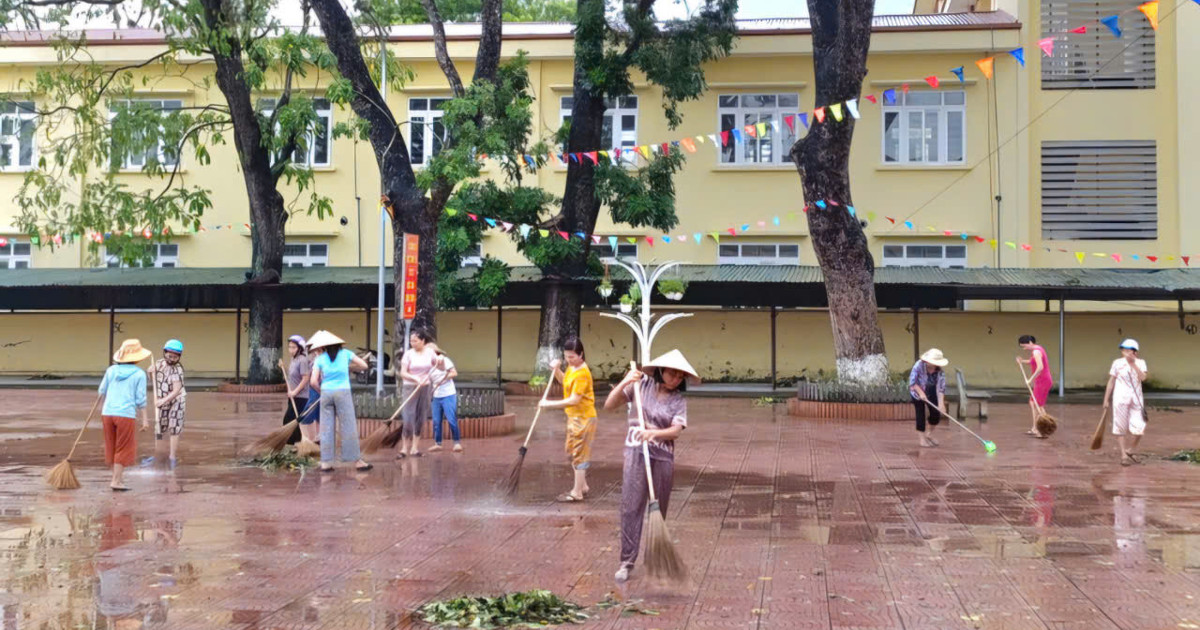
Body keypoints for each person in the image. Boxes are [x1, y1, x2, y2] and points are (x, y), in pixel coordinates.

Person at [603, 349, 697, 583]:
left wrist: (654, 433)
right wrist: (626, 380)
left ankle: (655, 557)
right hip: (636, 452)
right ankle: (626, 561)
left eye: (680, 377)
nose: (675, 379)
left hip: (663, 458)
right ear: (660, 371)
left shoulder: (678, 401)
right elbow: (609, 405)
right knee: (631, 506)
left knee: (658, 509)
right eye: (672, 374)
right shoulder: (640, 385)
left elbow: (676, 431)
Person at [539, 337, 596, 502]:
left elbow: (574, 400)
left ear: (581, 354)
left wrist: (548, 404)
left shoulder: (583, 373)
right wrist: (556, 370)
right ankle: (583, 485)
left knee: (579, 454)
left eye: (572, 356)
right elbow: (565, 381)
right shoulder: (572, 368)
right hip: (573, 417)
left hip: (584, 418)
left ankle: (577, 492)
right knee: (571, 452)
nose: (569, 359)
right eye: (567, 356)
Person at [308, 330, 372, 473]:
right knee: (348, 425)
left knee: (326, 428)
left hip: (326, 393)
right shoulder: (346, 354)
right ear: (339, 344)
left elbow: (313, 381)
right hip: (343, 392)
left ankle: (326, 463)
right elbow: (364, 366)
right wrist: (348, 367)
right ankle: (357, 461)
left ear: (324, 346)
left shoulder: (320, 359)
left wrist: (321, 391)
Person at [98, 339, 151, 491]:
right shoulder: (139, 374)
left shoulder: (111, 370)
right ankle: (116, 481)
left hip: (107, 413)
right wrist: (145, 420)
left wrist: (103, 405)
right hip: (125, 414)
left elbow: (102, 390)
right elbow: (140, 399)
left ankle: (117, 478)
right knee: (124, 447)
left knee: (112, 445)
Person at [1104, 338, 1148, 466]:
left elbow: (1143, 378)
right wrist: (1106, 399)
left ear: (1135, 352)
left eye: (1128, 350)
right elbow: (1111, 381)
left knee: (1140, 427)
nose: (1125, 353)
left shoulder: (1141, 363)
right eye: (1124, 350)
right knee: (1120, 426)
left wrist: (1133, 364)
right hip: (1120, 398)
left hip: (1137, 399)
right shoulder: (1117, 363)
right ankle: (1123, 454)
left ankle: (1131, 449)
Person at [397, 329, 437, 458]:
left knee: (421, 416)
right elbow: (403, 372)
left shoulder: (430, 352)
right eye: (411, 341)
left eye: (415, 341)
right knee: (408, 417)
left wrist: (440, 361)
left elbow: (438, 366)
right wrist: (415, 378)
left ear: (423, 341)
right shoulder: (408, 354)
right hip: (410, 387)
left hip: (425, 387)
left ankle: (414, 448)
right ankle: (404, 448)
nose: (412, 343)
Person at [148, 339, 187, 468]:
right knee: (159, 426)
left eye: (175, 357)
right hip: (162, 398)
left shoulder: (177, 369)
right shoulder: (158, 364)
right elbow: (154, 381)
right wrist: (150, 372)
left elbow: (176, 390)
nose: (172, 359)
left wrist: (163, 401)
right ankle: (158, 454)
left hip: (176, 400)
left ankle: (172, 457)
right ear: (164, 353)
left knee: (174, 427)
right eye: (170, 356)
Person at [909, 348, 949, 448]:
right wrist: (921, 393)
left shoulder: (940, 372)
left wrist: (941, 404)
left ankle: (929, 434)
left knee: (935, 415)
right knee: (920, 415)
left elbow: (941, 389)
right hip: (917, 392)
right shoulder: (918, 365)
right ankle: (922, 439)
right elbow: (912, 382)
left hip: (931, 391)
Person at [1016, 335, 1054, 438]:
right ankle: (1036, 428)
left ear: (1030, 342)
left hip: (1043, 381)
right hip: (1040, 381)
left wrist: (1030, 379)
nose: (1024, 348)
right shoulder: (1037, 350)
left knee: (1038, 405)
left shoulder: (1036, 351)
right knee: (1033, 403)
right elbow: (1032, 362)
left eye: (1024, 346)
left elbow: (1040, 367)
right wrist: (1022, 361)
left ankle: (1043, 429)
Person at [428, 349, 462, 453]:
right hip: (436, 395)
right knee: (436, 421)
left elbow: (454, 373)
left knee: (451, 419)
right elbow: (428, 380)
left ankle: (457, 443)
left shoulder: (445, 360)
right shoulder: (427, 366)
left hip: (448, 394)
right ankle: (438, 443)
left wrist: (444, 378)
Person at [283, 335, 313, 445]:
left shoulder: (303, 360)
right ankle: (294, 444)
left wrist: (295, 392)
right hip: (293, 396)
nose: (291, 350)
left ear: (300, 348)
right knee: (291, 421)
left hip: (301, 397)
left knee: (289, 420)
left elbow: (306, 378)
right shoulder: (293, 359)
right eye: (289, 347)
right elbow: (292, 377)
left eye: (293, 347)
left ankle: (292, 443)